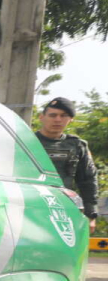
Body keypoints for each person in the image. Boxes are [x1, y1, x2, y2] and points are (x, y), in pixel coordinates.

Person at [34, 96, 98, 224]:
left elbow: (88, 180)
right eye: (53, 115)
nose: (58, 119)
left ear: (71, 119)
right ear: (42, 117)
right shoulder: (26, 142)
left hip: (64, 208)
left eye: (63, 116)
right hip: (31, 205)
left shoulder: (77, 145)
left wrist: (91, 214)